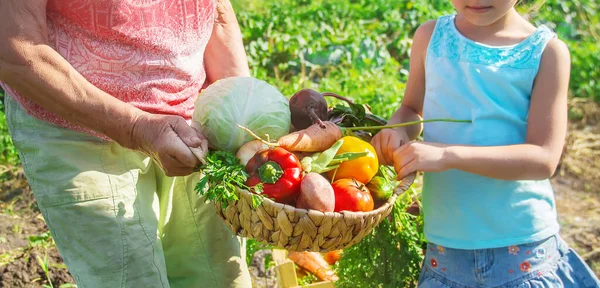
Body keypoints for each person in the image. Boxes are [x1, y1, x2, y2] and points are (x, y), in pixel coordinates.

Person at [0, 0, 252, 287]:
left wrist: (243, 115)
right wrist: (135, 128)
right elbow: (16, 51)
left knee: (218, 277)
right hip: (80, 129)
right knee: (133, 280)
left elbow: (214, 8)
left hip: (194, 125)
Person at [371, 0, 600, 287]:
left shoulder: (546, 52)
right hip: (445, 254)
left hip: (522, 254)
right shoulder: (430, 37)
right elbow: (411, 109)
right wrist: (398, 129)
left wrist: (449, 156)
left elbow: (544, 158)